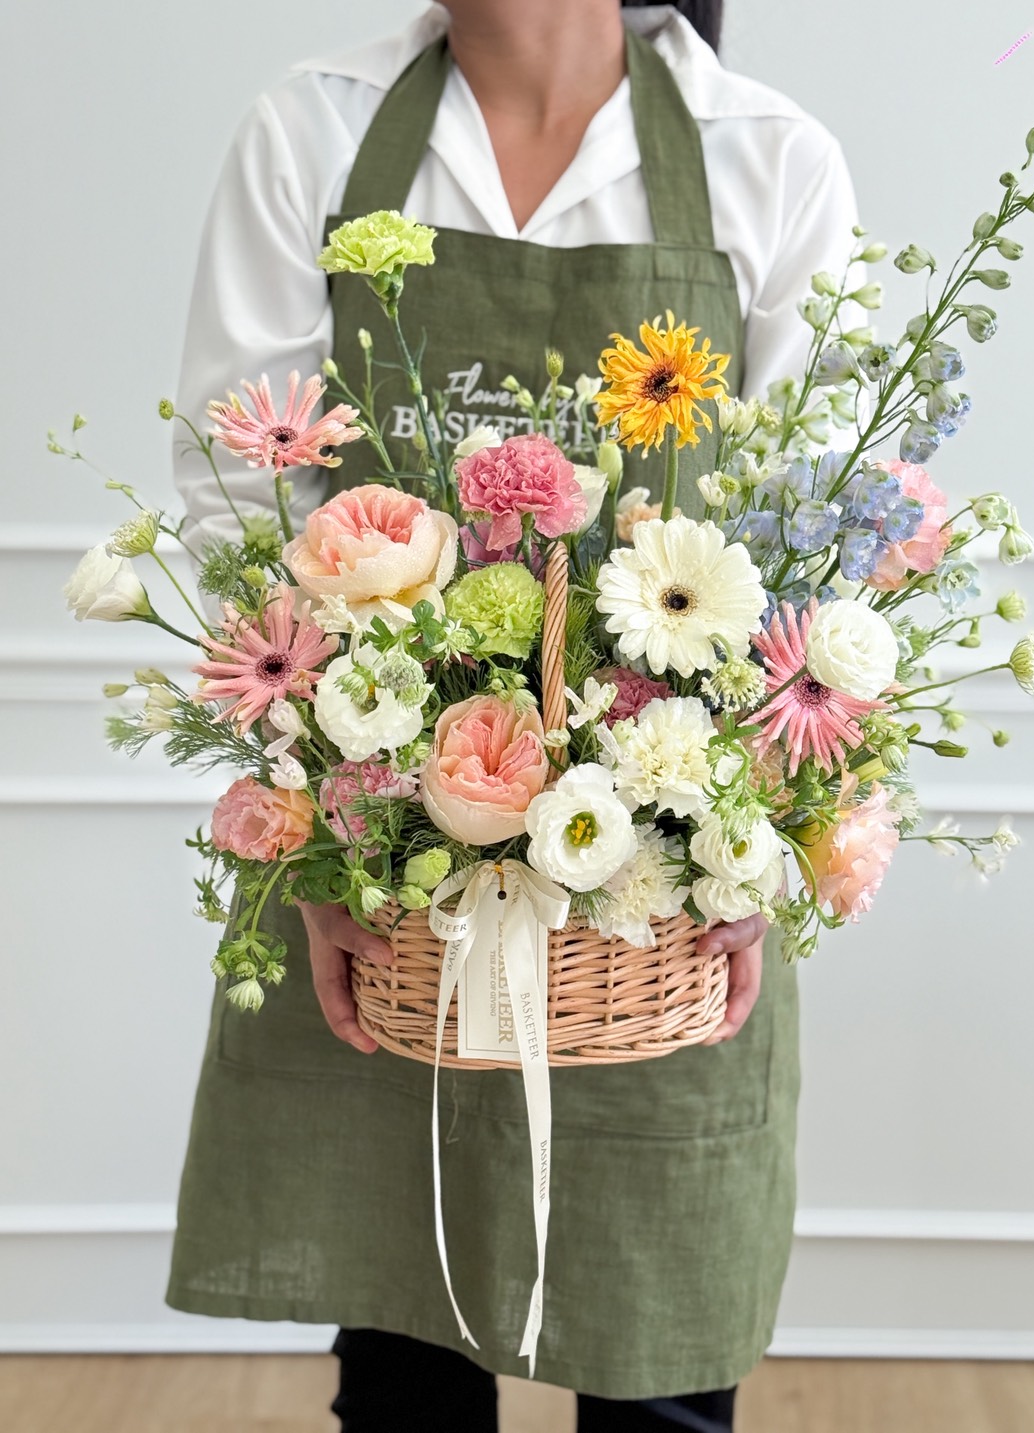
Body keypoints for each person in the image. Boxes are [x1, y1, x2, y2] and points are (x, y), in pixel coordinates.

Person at [166, 1, 863, 1427]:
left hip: (658, 884)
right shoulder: (316, 130)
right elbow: (236, 499)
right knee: (407, 1350)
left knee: (660, 1358)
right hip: (381, 864)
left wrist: (761, 850)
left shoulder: (765, 160)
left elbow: (817, 547)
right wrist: (314, 847)